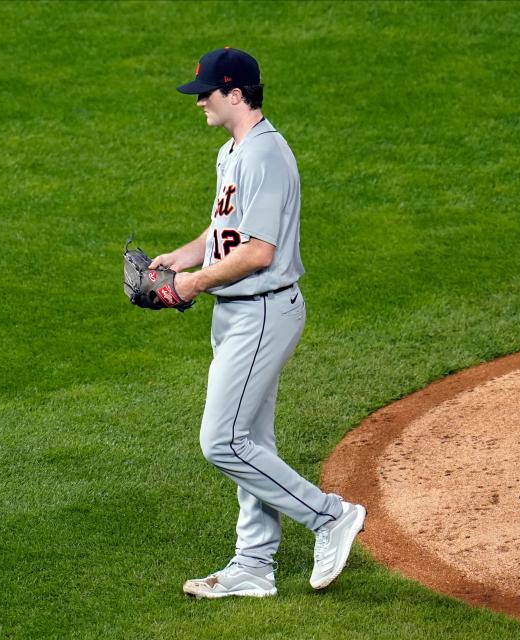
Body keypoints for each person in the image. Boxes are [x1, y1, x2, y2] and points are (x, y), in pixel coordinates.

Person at [150, 47, 367, 598]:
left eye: (208, 91)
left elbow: (259, 253)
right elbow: (226, 229)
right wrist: (184, 257)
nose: (199, 99)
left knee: (221, 442)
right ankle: (253, 564)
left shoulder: (265, 156)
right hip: (238, 313)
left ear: (237, 94)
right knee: (250, 442)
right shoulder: (233, 151)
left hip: (263, 310)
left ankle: (330, 516)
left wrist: (193, 284)